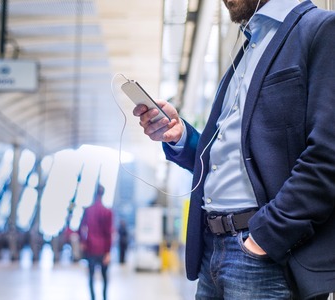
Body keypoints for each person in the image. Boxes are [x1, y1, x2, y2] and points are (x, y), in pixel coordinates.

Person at [133, 0, 335, 299]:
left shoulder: (319, 29)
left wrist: (265, 237)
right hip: (212, 252)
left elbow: (327, 155)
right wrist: (181, 137)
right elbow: (226, 157)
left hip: (263, 256)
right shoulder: (248, 48)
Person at [79, 184, 113, 300]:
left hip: (91, 248)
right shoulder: (107, 212)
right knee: (104, 277)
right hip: (103, 249)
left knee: (91, 276)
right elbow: (108, 233)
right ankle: (104, 297)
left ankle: (93, 298)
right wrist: (108, 252)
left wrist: (83, 242)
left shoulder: (88, 210)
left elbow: (81, 228)